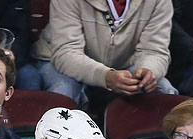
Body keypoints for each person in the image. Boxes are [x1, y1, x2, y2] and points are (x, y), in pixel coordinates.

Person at [31, 0, 176, 108]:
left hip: (124, 65)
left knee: (165, 91)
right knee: (63, 92)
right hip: (57, 61)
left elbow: (154, 50)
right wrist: (105, 76)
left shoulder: (159, 1)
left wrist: (148, 72)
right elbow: (66, 52)